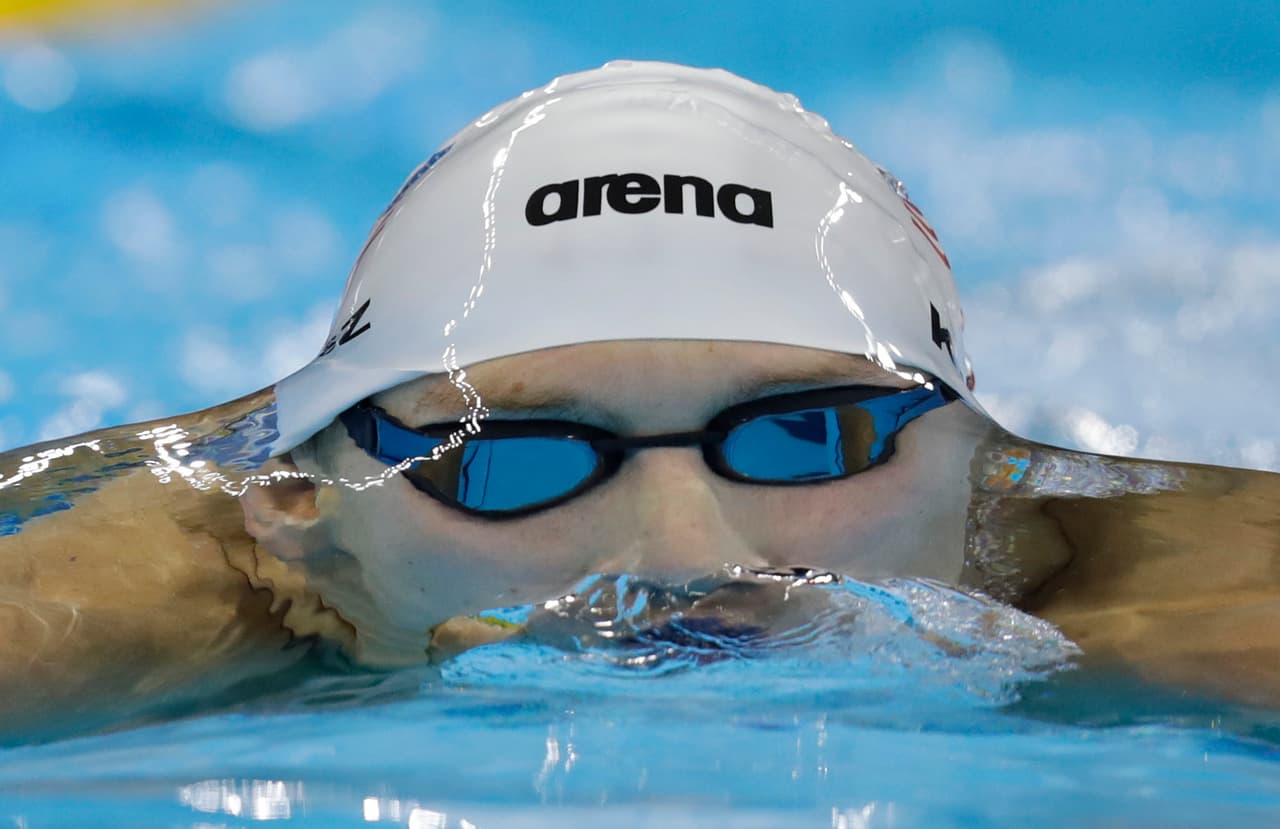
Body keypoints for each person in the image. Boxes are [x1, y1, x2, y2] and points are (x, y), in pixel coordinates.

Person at [1, 61, 1277, 742]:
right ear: (299, 505)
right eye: (510, 458)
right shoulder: (144, 604)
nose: (682, 559)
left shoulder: (1188, 606)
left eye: (804, 436)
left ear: (982, 464)